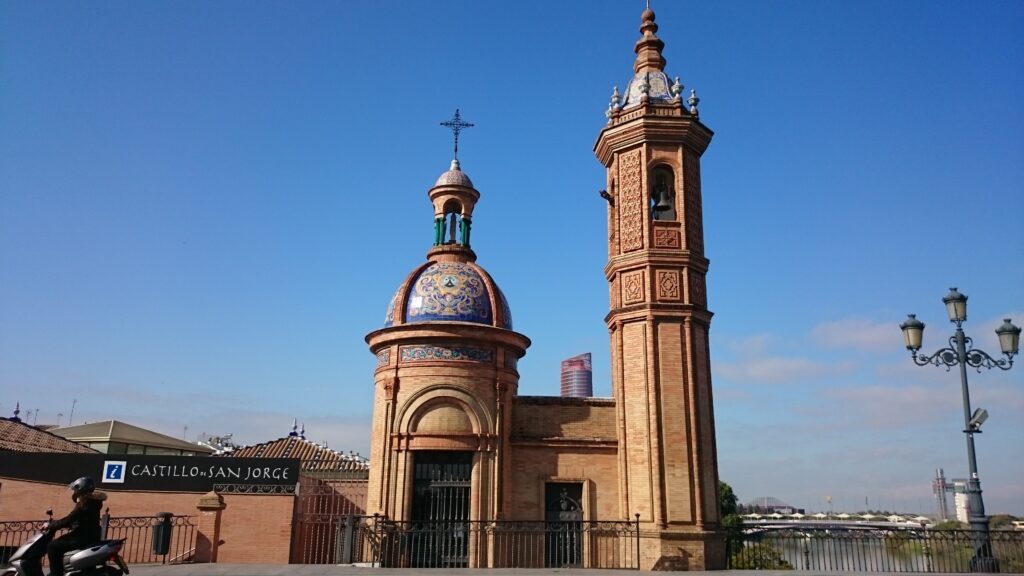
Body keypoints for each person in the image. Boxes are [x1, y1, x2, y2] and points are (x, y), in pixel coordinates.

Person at [44, 477, 107, 576]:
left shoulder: (84, 503)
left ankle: (56, 574)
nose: (74, 492)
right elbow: (80, 519)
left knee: (52, 547)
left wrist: (52, 525)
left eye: (75, 489)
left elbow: (70, 518)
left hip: (81, 537)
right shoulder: (94, 502)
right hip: (91, 535)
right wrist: (69, 524)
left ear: (80, 489)